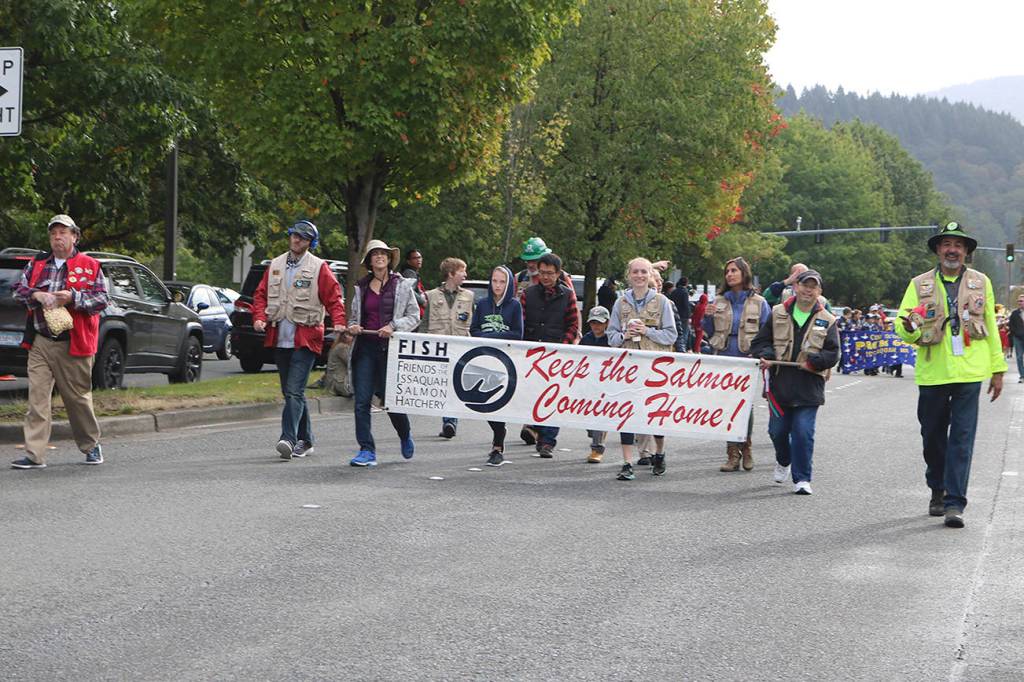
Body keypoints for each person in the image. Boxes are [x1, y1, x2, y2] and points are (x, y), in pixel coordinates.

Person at [895, 222, 1006, 528]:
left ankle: (954, 503)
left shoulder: (981, 282)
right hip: (933, 372)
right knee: (932, 436)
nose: (952, 250)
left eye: (958, 245)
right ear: (938, 250)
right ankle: (937, 488)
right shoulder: (919, 284)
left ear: (967, 251)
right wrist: (908, 327)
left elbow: (993, 328)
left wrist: (998, 368)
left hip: (970, 372)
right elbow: (903, 324)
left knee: (962, 438)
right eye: (946, 244)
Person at [11, 214, 109, 469]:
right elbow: (18, 291)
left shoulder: (89, 265)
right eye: (53, 233)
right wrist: (38, 295)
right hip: (41, 341)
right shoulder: (38, 263)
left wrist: (72, 298)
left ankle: (91, 445)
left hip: (74, 342)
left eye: (63, 232)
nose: (57, 237)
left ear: (74, 236)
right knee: (37, 399)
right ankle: (34, 455)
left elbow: (101, 300)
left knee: (77, 399)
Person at [252, 220, 346, 460]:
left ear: (310, 243)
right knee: (292, 392)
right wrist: (259, 317)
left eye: (303, 238)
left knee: (294, 391)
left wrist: (339, 322)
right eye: (294, 236)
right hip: (279, 339)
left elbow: (334, 298)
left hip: (306, 339)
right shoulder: (275, 265)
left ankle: (288, 439)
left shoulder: (319, 267)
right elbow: (260, 295)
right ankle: (307, 440)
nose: (296, 240)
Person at [750, 270, 839, 495]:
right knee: (777, 431)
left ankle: (802, 478)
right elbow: (760, 342)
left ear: (819, 291)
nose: (808, 290)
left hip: (809, 387)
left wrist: (814, 362)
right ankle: (783, 460)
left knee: (803, 432)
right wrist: (767, 355)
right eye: (804, 285)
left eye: (813, 287)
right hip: (780, 384)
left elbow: (833, 353)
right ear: (796, 287)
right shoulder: (778, 312)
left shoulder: (828, 320)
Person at [346, 239, 421, 467]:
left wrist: (393, 326)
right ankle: (366, 450)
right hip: (365, 349)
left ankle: (404, 434)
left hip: (390, 350)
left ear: (389, 259)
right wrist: (353, 327)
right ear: (369, 261)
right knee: (362, 402)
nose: (379, 257)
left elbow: (414, 316)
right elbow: (353, 318)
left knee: (390, 402)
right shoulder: (361, 287)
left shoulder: (402, 285)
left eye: (383, 254)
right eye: (374, 254)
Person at [607, 257, 678, 480]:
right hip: (627, 367)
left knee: (656, 411)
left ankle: (660, 452)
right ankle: (627, 461)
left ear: (650, 275)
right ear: (629, 275)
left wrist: (647, 332)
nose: (639, 276)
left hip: (655, 368)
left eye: (644, 272)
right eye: (635, 272)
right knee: (626, 412)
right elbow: (610, 336)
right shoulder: (620, 303)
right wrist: (623, 336)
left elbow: (671, 334)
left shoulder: (662, 302)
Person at [703, 257, 771, 472]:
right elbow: (709, 331)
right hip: (724, 355)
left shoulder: (759, 302)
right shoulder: (719, 300)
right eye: (727, 271)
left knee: (745, 406)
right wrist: (706, 317)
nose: (729, 274)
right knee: (727, 405)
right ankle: (732, 453)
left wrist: (760, 354)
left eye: (734, 270)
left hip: (747, 357)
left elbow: (766, 332)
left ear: (744, 273)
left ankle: (746, 447)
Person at [519, 252, 579, 457]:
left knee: (553, 397)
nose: (545, 277)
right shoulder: (528, 293)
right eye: (542, 272)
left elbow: (573, 325)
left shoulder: (568, 295)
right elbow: (522, 323)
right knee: (533, 394)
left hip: (556, 354)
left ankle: (547, 441)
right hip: (533, 353)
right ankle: (534, 427)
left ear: (558, 273)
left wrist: (562, 345)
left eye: (549, 273)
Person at [469, 265, 523, 467]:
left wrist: (491, 336)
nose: (498, 285)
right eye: (494, 281)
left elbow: (517, 333)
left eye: (502, 281)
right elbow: (474, 330)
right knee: (482, 402)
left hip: (505, 361)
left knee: (497, 400)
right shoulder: (482, 304)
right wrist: (488, 337)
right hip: (483, 358)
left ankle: (497, 446)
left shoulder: (514, 305)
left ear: (508, 284)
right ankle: (499, 432)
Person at [421, 257, 475, 439]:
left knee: (455, 385)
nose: (465, 275)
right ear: (451, 274)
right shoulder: (431, 295)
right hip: (437, 347)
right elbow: (424, 323)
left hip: (460, 346)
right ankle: (448, 419)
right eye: (462, 271)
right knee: (442, 386)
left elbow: (471, 323)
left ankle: (450, 421)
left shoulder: (468, 296)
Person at [579, 305, 611, 463]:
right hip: (588, 382)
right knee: (587, 419)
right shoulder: (586, 339)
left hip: (606, 384)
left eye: (599, 323)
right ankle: (595, 434)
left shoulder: (612, 340)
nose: (596, 326)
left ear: (607, 323)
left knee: (599, 416)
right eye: (593, 323)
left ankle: (597, 448)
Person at [401, 248, 427, 317]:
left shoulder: (413, 273)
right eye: (414, 258)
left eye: (419, 257)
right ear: (408, 261)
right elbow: (409, 290)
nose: (418, 260)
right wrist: (423, 302)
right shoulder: (409, 273)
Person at [668, 276, 692, 351]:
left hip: (674, 315)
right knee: (684, 333)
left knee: (676, 332)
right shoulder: (685, 292)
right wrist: (689, 316)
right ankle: (682, 349)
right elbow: (686, 304)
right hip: (684, 316)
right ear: (686, 283)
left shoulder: (674, 291)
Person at [1010, 294, 1024, 382]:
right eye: (1019, 301)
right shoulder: (1014, 313)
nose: (1020, 303)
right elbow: (1011, 325)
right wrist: (1015, 334)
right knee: (1019, 357)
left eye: (1022, 301)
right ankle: (1022, 375)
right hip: (1018, 338)